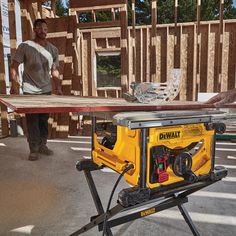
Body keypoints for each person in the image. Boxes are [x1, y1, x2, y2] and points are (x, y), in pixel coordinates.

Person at [10, 19, 62, 161]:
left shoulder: (53, 50)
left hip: (46, 90)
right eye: (40, 28)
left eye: (45, 29)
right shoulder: (25, 46)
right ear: (35, 29)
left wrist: (58, 87)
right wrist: (14, 84)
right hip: (29, 91)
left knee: (44, 120)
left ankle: (42, 145)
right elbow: (14, 66)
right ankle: (33, 149)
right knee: (32, 120)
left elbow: (55, 71)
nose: (43, 31)